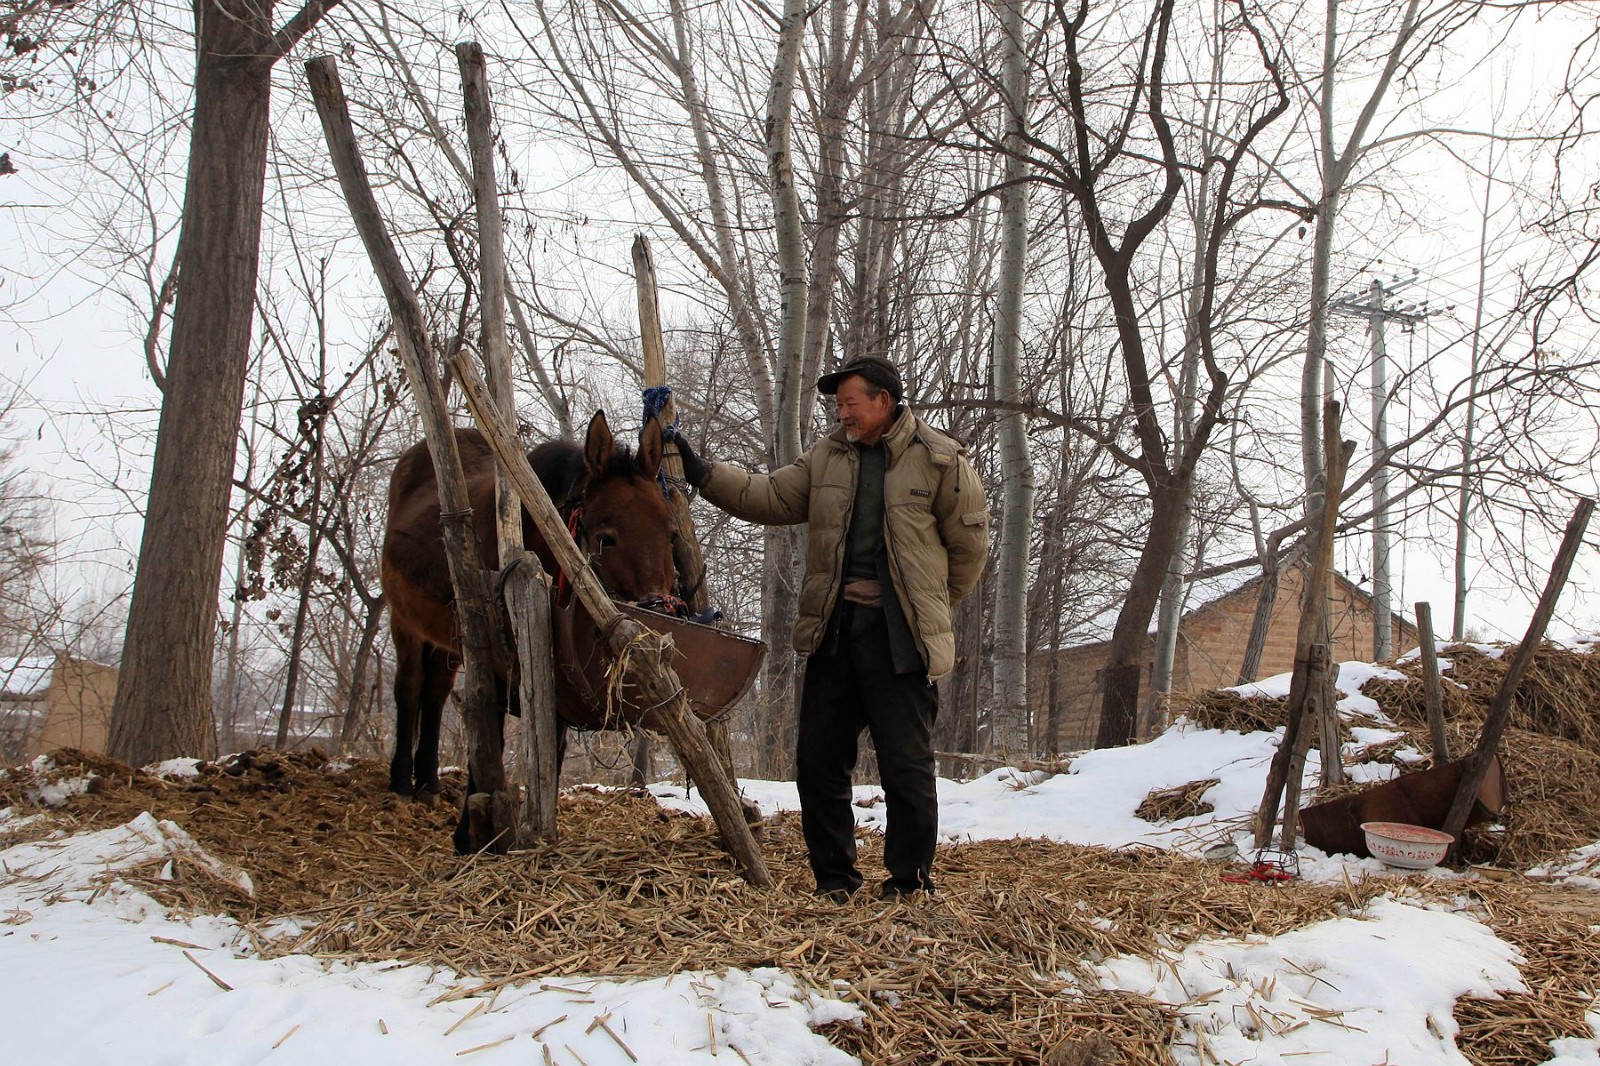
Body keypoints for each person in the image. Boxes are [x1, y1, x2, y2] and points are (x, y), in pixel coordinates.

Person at [672, 355, 989, 900]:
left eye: (850, 402)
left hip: (902, 639)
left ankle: (908, 886)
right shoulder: (827, 457)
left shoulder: (940, 460)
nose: (841, 413)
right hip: (833, 631)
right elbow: (767, 496)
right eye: (837, 404)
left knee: (906, 770)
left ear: (884, 400)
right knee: (818, 765)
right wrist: (701, 472)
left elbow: (969, 549)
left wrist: (922, 605)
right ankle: (834, 882)